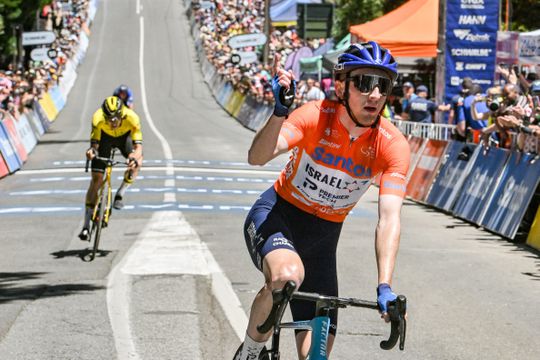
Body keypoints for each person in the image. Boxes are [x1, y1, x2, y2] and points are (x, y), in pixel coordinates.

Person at [236, 41, 410, 360]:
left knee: (314, 356)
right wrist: (279, 113)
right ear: (342, 85)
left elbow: (389, 219)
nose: (374, 94)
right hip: (278, 216)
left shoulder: (392, 145)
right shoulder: (314, 116)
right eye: (364, 82)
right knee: (287, 275)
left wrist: (385, 284)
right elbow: (257, 157)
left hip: (322, 244)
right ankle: (249, 351)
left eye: (382, 85)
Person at [78, 96, 143, 240]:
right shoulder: (98, 118)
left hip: (124, 137)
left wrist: (133, 158)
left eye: (115, 119)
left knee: (138, 162)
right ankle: (86, 225)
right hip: (105, 138)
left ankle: (120, 193)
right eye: (108, 119)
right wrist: (91, 152)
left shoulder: (132, 118)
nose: (112, 122)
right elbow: (95, 146)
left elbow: (138, 148)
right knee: (96, 180)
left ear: (122, 115)